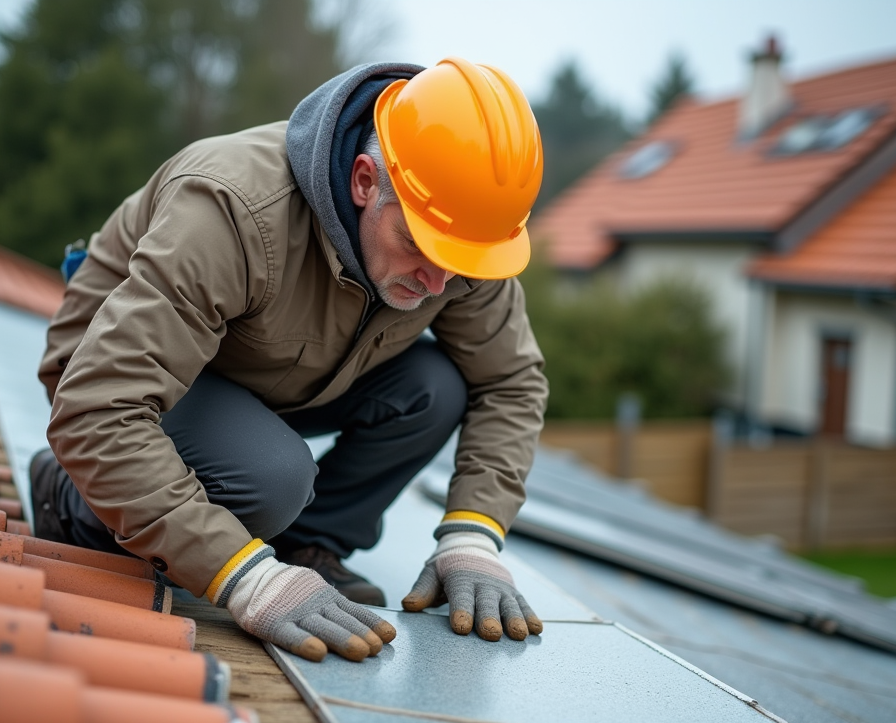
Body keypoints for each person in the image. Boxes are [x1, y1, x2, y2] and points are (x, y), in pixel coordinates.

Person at [30, 57, 548, 663]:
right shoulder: (233, 208)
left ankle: (307, 546)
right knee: (270, 479)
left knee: (435, 385)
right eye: (418, 245)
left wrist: (473, 536)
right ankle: (69, 500)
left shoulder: (460, 236)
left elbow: (511, 381)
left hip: (280, 376)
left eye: (461, 261)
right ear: (364, 181)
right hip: (129, 378)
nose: (438, 283)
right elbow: (98, 406)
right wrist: (245, 577)